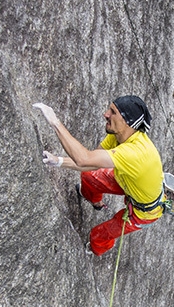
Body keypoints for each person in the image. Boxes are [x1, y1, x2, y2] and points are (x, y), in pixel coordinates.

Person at [33, 96, 164, 255]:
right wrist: (58, 161)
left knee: (100, 234)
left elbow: (83, 159)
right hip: (128, 182)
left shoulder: (134, 153)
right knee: (89, 175)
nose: (106, 114)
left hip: (144, 210)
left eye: (113, 112)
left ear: (127, 122)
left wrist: (55, 122)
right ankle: (96, 202)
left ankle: (95, 249)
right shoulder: (117, 135)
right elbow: (90, 163)